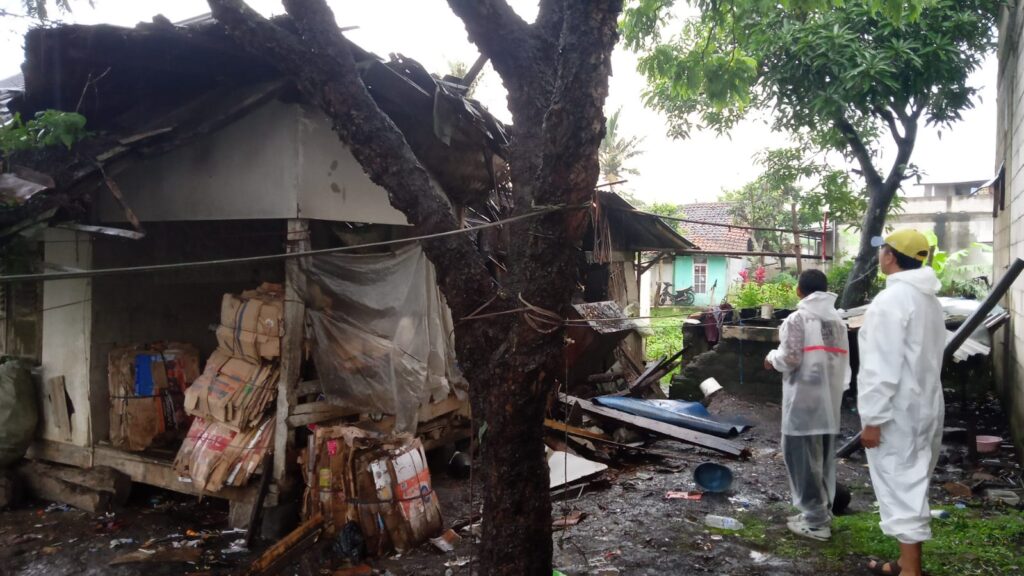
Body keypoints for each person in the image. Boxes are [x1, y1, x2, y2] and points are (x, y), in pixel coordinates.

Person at [858, 229, 945, 576]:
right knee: (912, 481)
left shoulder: (891, 301)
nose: (880, 256)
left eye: (883, 250)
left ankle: (911, 571)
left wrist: (872, 419)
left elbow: (881, 367)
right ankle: (907, 563)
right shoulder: (928, 300)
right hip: (925, 405)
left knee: (901, 486)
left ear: (891, 256)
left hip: (898, 410)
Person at [764, 269, 851, 541]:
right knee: (822, 458)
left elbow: (789, 358)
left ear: (799, 290)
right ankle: (819, 511)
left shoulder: (798, 319)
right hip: (828, 400)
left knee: (801, 458)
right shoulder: (837, 322)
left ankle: (816, 522)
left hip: (803, 399)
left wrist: (771, 357)